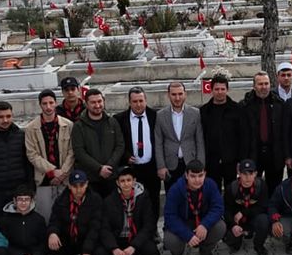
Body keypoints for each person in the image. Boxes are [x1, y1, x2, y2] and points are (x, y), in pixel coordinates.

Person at [48, 170, 111, 255]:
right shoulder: (61, 201)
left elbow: (95, 227)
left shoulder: (95, 199)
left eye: (82, 185)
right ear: (69, 186)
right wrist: (53, 233)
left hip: (86, 239)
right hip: (69, 238)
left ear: (87, 184)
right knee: (50, 243)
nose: (78, 189)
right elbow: (54, 221)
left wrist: (86, 251)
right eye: (74, 186)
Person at [163, 160, 227, 255]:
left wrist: (205, 225)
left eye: (200, 175)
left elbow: (218, 208)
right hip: (183, 223)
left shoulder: (210, 185)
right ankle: (177, 254)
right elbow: (170, 217)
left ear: (204, 174)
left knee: (220, 226)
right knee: (170, 239)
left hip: (202, 222)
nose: (197, 180)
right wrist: (187, 235)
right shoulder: (175, 189)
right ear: (186, 175)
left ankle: (205, 250)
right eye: (193, 176)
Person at [25, 89, 75, 223]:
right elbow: (32, 154)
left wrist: (62, 173)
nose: (48, 107)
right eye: (44, 103)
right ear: (40, 105)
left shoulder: (68, 125)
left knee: (66, 217)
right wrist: (52, 171)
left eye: (51, 103)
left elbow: (72, 151)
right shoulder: (31, 128)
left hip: (65, 179)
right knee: (46, 216)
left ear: (55, 103)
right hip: (44, 180)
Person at [114, 87, 162, 219]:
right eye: (135, 101)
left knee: (153, 199)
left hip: (151, 167)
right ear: (129, 102)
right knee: (133, 200)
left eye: (141, 100)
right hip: (132, 169)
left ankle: (152, 231)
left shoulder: (155, 116)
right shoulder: (119, 119)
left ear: (146, 100)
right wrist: (126, 156)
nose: (138, 104)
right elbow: (118, 143)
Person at [103, 167, 161, 255]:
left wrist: (134, 246)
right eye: (122, 181)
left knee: (151, 250)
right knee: (100, 253)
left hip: (136, 236)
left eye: (129, 180)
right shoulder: (109, 201)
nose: (126, 184)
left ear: (134, 181)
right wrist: (114, 248)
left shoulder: (143, 197)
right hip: (119, 238)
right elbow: (105, 228)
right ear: (117, 183)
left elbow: (149, 225)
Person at [0, 185, 51, 255]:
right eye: (20, 199)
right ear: (14, 201)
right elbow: (3, 243)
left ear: (31, 201)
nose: (23, 203)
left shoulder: (38, 219)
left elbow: (43, 243)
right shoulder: (4, 220)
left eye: (26, 199)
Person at [71, 89, 124, 198]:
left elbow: (120, 146)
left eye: (99, 101)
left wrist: (109, 166)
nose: (97, 105)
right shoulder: (79, 126)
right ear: (86, 104)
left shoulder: (112, 122)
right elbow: (79, 152)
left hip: (111, 177)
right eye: (93, 102)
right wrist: (99, 168)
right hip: (90, 179)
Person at [199, 74, 250, 190]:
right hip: (211, 161)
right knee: (212, 191)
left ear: (227, 90)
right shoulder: (204, 111)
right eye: (216, 89)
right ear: (211, 90)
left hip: (231, 161)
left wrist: (241, 160)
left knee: (232, 191)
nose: (220, 92)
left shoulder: (237, 110)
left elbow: (243, 136)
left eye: (222, 89)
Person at [155, 82, 206, 190]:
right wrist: (161, 166)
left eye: (180, 94)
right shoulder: (160, 115)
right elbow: (158, 143)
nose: (177, 98)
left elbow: (199, 141)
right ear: (168, 95)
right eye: (174, 94)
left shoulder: (195, 113)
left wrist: (200, 165)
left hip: (190, 163)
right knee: (172, 197)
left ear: (185, 94)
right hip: (170, 165)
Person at [242, 71, 286, 193]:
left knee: (275, 188)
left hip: (275, 154)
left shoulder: (279, 104)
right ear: (254, 86)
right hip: (253, 154)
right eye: (260, 84)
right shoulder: (245, 106)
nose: (264, 87)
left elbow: (284, 131)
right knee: (253, 190)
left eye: (266, 83)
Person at [222, 159, 270, 255]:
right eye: (244, 174)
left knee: (264, 220)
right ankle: (236, 242)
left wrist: (244, 213)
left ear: (255, 173)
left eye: (251, 173)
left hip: (253, 218)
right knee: (232, 239)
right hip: (237, 221)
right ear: (239, 173)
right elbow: (226, 210)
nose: (247, 177)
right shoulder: (231, 188)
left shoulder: (261, 185)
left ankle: (259, 246)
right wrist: (233, 225)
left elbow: (263, 207)